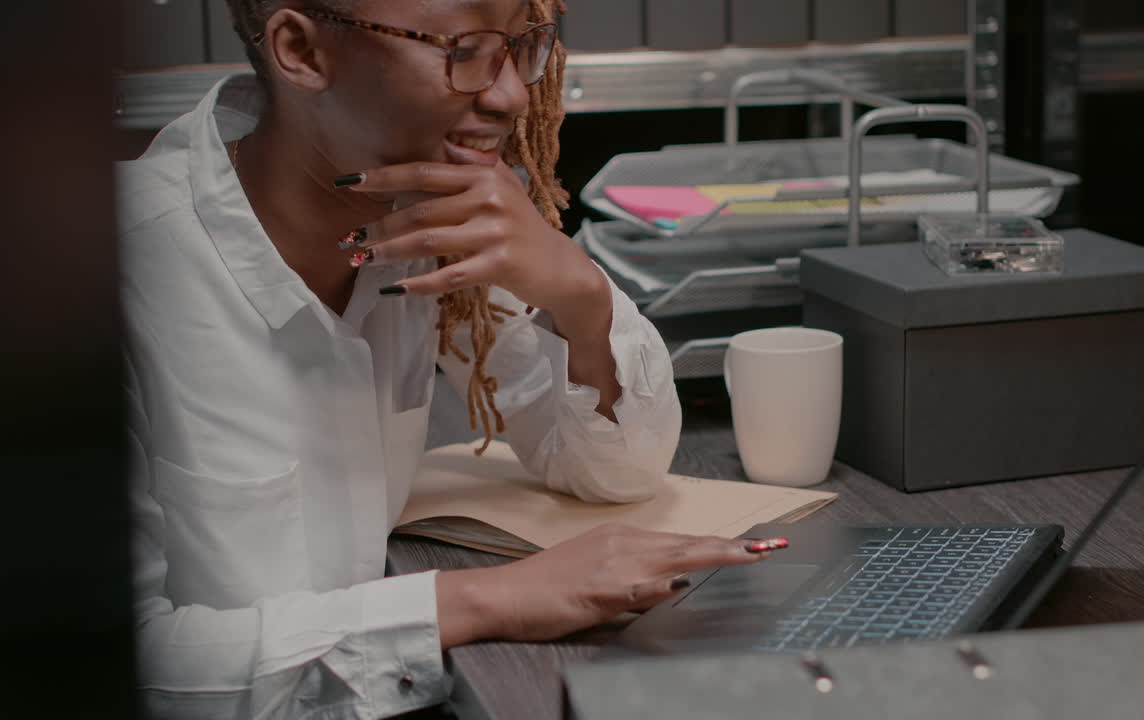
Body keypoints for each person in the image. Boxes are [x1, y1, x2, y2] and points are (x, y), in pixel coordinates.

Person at [119, 1, 777, 717]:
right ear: (301, 52)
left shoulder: (428, 214)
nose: (509, 95)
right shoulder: (104, 278)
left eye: (521, 45)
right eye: (463, 49)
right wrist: (489, 599)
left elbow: (614, 469)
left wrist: (580, 295)